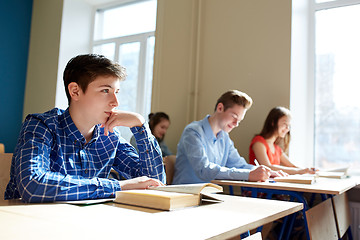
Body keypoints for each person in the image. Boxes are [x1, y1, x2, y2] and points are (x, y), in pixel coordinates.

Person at [4, 54, 165, 203]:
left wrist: (141, 126)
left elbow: (154, 182)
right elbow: (33, 185)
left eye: (116, 92)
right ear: (75, 91)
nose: (115, 102)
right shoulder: (41, 125)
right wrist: (118, 186)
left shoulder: (110, 136)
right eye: (105, 91)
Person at [172, 90, 282, 185]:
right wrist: (249, 175)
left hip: (209, 196)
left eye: (239, 120)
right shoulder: (193, 131)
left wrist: (265, 172)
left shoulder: (224, 137)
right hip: (185, 196)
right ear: (220, 108)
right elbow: (203, 169)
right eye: (234, 116)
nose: (236, 124)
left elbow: (240, 165)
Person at [249, 106, 315, 175]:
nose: (287, 128)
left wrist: (308, 170)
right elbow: (267, 167)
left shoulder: (277, 149)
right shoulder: (258, 142)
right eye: (284, 124)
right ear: (273, 122)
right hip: (258, 185)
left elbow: (292, 166)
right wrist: (299, 171)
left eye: (289, 125)